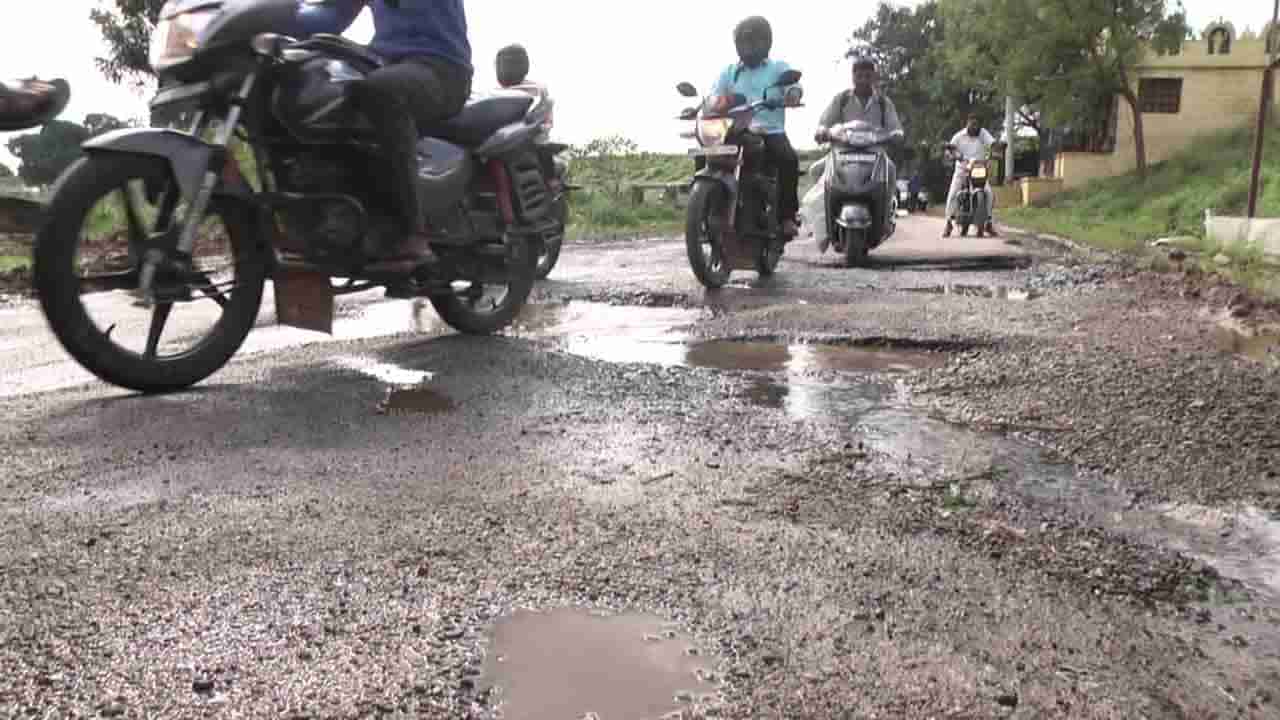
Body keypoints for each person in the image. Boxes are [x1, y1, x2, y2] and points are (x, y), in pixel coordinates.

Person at [292, 0, 473, 271]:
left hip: (442, 69)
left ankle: (412, 230)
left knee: (381, 90)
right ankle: (335, 217)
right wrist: (279, 17)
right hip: (385, 64)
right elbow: (330, 18)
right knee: (323, 86)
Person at [708, 16, 803, 238]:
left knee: (788, 159)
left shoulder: (778, 68)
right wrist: (714, 103)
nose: (748, 46)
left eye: (752, 41)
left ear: (765, 42)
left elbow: (794, 87)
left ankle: (787, 216)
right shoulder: (729, 72)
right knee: (706, 152)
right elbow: (714, 95)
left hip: (768, 130)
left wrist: (792, 95)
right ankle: (706, 206)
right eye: (743, 41)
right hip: (734, 129)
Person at [813, 55, 903, 144]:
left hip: (876, 152)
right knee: (824, 159)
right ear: (853, 77)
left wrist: (896, 135)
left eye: (868, 76)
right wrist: (822, 131)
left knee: (893, 159)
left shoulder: (883, 102)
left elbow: (895, 128)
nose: (863, 80)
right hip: (842, 152)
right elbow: (824, 123)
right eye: (859, 76)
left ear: (874, 77)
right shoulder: (842, 99)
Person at [944, 113, 1004, 237]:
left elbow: (992, 144)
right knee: (953, 193)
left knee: (989, 193)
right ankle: (948, 223)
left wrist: (997, 149)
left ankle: (988, 223)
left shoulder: (983, 134)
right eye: (972, 124)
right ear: (968, 123)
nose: (975, 127)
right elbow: (949, 150)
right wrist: (952, 155)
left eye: (977, 125)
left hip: (979, 169)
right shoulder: (959, 136)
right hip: (962, 169)